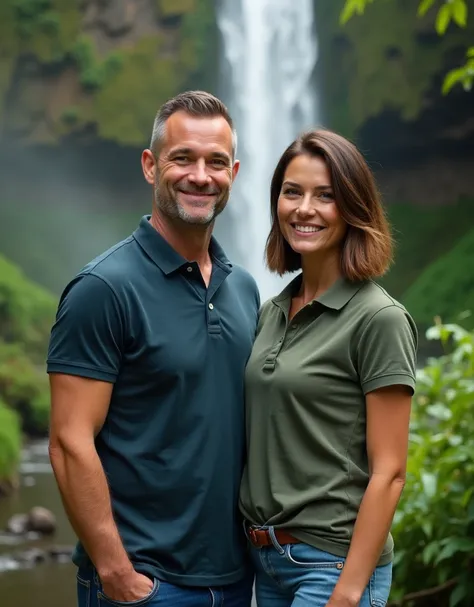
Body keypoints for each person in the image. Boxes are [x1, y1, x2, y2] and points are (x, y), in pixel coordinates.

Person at [47, 90, 260, 607]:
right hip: (145, 584)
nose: (200, 176)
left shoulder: (245, 289)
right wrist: (117, 573)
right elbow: (69, 442)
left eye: (215, 162)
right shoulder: (104, 288)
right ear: (150, 165)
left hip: (238, 580)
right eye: (182, 158)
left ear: (233, 171)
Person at [239, 129, 418, 607]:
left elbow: (391, 472)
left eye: (326, 196)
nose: (304, 209)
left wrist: (349, 591)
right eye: (291, 192)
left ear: (354, 207)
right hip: (266, 562)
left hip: (332, 567)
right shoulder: (272, 310)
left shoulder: (379, 319)